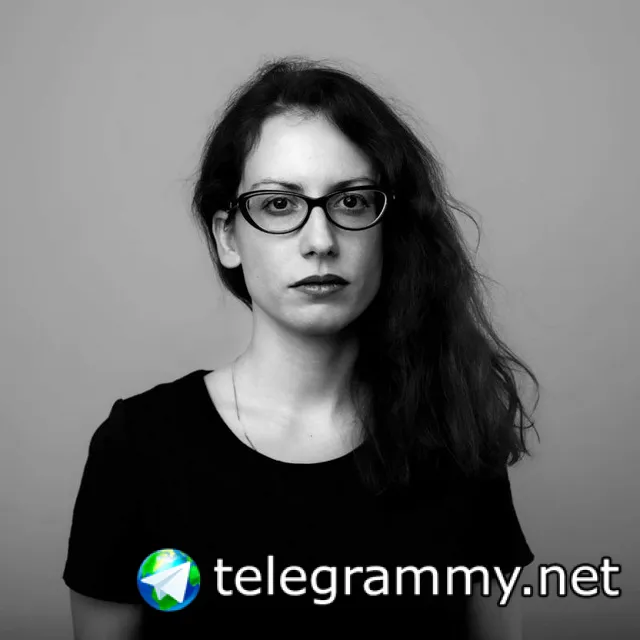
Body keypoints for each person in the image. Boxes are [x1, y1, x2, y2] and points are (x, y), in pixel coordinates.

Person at [63, 56, 540, 638]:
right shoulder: (138, 449)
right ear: (227, 236)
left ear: (389, 229)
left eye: (352, 201)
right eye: (279, 204)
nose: (320, 241)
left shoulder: (455, 438)